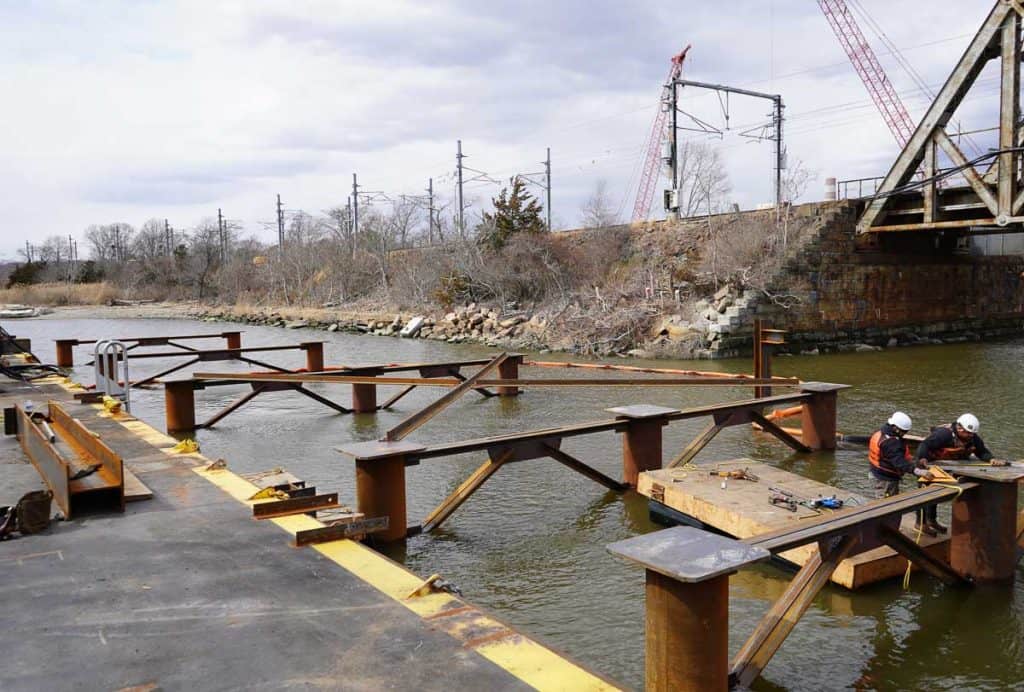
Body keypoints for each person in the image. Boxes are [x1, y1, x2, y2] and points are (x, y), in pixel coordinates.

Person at [914, 413, 997, 535]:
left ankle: (932, 520)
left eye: (972, 434)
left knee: (935, 495)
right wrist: (922, 459)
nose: (970, 436)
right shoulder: (944, 435)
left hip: (945, 466)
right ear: (959, 428)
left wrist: (991, 459)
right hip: (928, 465)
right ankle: (920, 523)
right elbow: (924, 445)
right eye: (968, 433)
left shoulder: (972, 438)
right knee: (925, 495)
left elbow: (982, 451)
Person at [869, 411, 934, 506]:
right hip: (885, 479)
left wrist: (914, 461)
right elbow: (899, 463)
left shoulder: (882, 433)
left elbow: (896, 455)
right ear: (895, 428)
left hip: (877, 473)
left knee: (883, 501)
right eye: (904, 431)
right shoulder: (891, 443)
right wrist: (918, 471)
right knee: (886, 505)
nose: (904, 434)